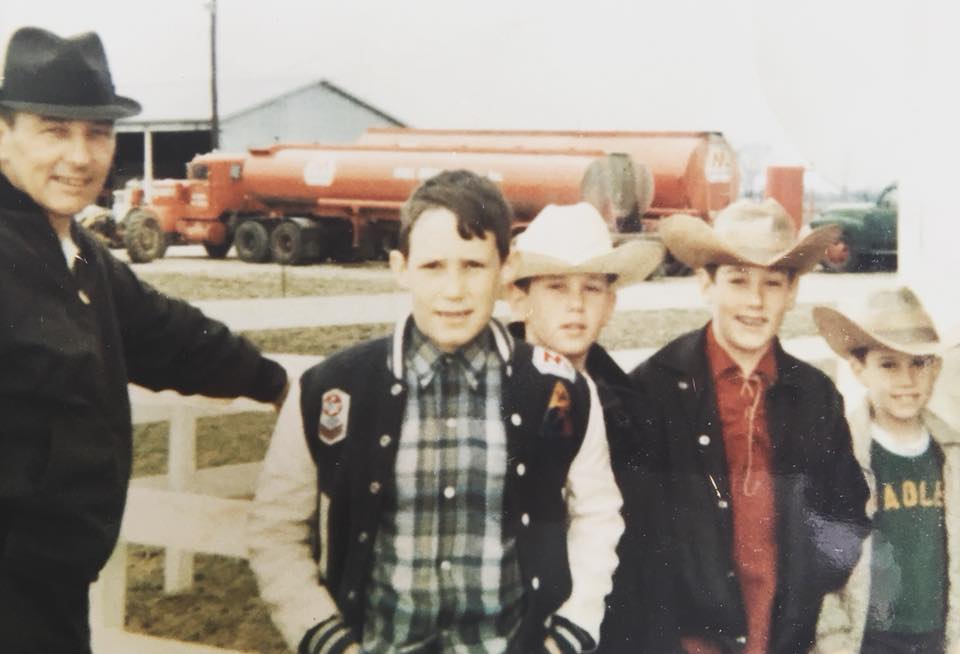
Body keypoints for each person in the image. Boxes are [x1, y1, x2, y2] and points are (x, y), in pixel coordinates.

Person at [248, 171, 624, 654]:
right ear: (399, 267)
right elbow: (276, 531)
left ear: (505, 268)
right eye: (432, 267)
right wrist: (330, 642)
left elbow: (599, 517)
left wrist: (567, 635)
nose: (453, 290)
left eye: (473, 265)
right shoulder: (330, 390)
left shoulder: (563, 391)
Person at [0, 27, 289, 654]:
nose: (80, 155)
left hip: (55, 590)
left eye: (98, 132)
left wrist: (275, 381)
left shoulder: (78, 254)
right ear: (3, 133)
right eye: (55, 130)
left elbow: (168, 335)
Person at [629, 198, 871, 653]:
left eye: (772, 283)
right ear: (706, 283)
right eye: (738, 280)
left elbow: (847, 509)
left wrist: (805, 584)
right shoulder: (654, 387)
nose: (755, 302)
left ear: (794, 290)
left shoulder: (814, 394)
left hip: (783, 638)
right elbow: (635, 531)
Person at [501, 202, 668, 652]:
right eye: (556, 287)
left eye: (592, 288)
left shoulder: (635, 409)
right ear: (521, 299)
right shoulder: (491, 396)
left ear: (610, 303)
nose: (576, 304)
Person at [813, 287, 959, 654]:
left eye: (919, 363)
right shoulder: (840, 453)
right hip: (865, 639)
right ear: (859, 368)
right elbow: (816, 560)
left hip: (936, 637)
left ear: (936, 367)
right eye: (889, 365)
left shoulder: (950, 453)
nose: (907, 380)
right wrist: (832, 638)